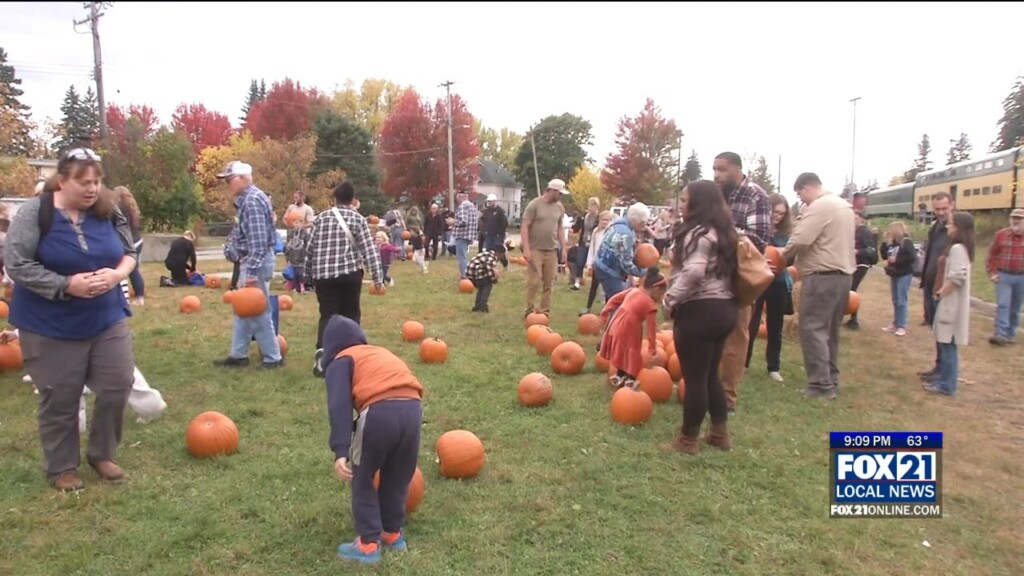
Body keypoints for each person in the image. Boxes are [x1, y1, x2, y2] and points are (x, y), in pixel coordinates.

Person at [3, 147, 138, 491]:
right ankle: (62, 467)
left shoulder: (108, 210)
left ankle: (102, 453)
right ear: (62, 180)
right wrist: (67, 285)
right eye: (83, 182)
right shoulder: (36, 212)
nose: (92, 189)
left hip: (106, 316)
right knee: (60, 395)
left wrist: (116, 274)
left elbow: (130, 252)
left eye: (97, 181)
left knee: (117, 383)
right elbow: (17, 264)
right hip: (50, 324)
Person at [322, 315, 424, 564]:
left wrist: (341, 450)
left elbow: (340, 407)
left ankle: (368, 543)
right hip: (413, 408)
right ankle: (392, 532)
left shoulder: (341, 360)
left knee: (363, 476)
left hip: (379, 411)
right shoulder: (378, 352)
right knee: (398, 475)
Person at [661, 180, 740, 454]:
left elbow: (694, 272)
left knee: (694, 378)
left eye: (684, 200)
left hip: (700, 312)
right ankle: (720, 434)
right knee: (709, 376)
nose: (680, 205)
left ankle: (687, 440)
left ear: (698, 203)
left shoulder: (699, 233)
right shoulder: (723, 231)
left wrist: (669, 299)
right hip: (725, 310)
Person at [781, 173, 856, 400]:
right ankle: (831, 378)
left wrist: (783, 257)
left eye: (800, 194)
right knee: (830, 330)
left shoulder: (819, 207)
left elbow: (801, 239)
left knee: (812, 328)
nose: (801, 200)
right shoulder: (844, 206)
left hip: (822, 275)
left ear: (806, 188)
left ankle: (820, 385)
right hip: (843, 276)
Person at [711, 151, 771, 413]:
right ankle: (708, 385)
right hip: (713, 272)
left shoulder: (755, 195)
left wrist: (721, 235)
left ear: (737, 169)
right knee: (711, 333)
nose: (717, 174)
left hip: (740, 276)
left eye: (722, 169)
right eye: (714, 169)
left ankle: (727, 397)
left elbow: (757, 239)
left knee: (736, 334)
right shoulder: (716, 194)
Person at [304, 181, 383, 377]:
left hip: (323, 275)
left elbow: (310, 249)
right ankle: (352, 355)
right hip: (349, 274)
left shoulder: (321, 218)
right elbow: (368, 250)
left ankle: (323, 356)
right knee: (351, 314)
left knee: (328, 314)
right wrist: (378, 277)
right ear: (352, 200)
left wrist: (307, 275)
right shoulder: (357, 219)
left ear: (335, 198)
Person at [212, 161, 283, 370]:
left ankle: (273, 357)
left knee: (258, 311)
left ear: (243, 178)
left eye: (229, 179)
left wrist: (250, 272)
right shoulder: (249, 199)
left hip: (255, 263)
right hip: (253, 261)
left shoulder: (251, 201)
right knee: (245, 310)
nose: (227, 184)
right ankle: (238, 354)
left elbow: (259, 243)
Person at [745, 193, 794, 382]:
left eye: (782, 214)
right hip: (758, 280)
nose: (778, 216)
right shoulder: (758, 230)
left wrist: (783, 258)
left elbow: (791, 257)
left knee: (775, 325)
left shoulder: (786, 235)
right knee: (751, 323)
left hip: (778, 282)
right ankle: (745, 362)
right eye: (775, 212)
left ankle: (773, 366)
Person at [926, 212, 975, 396]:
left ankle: (947, 385)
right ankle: (944, 379)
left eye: (951, 224)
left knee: (948, 344)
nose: (948, 226)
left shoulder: (958, 249)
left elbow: (957, 277)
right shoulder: (959, 248)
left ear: (959, 228)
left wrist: (940, 293)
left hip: (951, 304)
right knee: (945, 342)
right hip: (950, 302)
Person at [598, 267, 667, 390]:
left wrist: (604, 314)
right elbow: (651, 330)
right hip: (630, 328)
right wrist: (652, 351)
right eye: (662, 294)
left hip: (616, 323)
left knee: (622, 353)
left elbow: (613, 299)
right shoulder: (650, 305)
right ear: (656, 289)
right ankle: (629, 382)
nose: (662, 298)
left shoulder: (633, 291)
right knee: (632, 356)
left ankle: (620, 378)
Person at [917, 192, 954, 382]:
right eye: (937, 209)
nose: (940, 212)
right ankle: (939, 367)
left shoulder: (956, 230)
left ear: (952, 206)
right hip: (930, 285)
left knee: (946, 334)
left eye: (944, 208)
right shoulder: (935, 227)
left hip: (945, 288)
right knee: (936, 331)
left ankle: (945, 374)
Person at [521, 179, 568, 317]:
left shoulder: (559, 207)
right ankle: (529, 310)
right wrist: (526, 248)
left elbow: (560, 227)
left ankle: (545, 311)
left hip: (552, 250)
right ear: (552, 191)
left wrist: (564, 248)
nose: (561, 197)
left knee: (549, 282)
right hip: (536, 249)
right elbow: (525, 226)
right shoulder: (534, 205)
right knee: (534, 281)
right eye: (559, 194)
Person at [592, 203, 649, 303]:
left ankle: (607, 317)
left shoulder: (616, 223)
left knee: (611, 301)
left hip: (600, 263)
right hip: (609, 271)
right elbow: (627, 265)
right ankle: (613, 318)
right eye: (642, 223)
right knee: (619, 303)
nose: (643, 226)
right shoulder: (626, 235)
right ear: (635, 220)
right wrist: (644, 272)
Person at [985, 208, 1024, 346]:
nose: (1016, 221)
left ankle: (1010, 333)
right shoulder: (1001, 235)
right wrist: (992, 272)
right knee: (1003, 304)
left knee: (1015, 307)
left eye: (1019, 219)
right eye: (1014, 218)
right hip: (1004, 275)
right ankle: (1000, 334)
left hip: (1021, 276)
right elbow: (992, 255)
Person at [879, 221, 917, 336]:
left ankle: (902, 326)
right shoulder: (892, 243)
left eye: (891, 230)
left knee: (901, 300)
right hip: (894, 273)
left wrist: (897, 260)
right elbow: (885, 255)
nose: (889, 232)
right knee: (895, 299)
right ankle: (895, 323)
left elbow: (912, 257)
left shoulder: (906, 242)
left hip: (904, 273)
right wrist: (884, 243)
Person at [845, 211, 879, 329]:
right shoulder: (850, 231)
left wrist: (857, 252)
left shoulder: (864, 233)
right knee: (848, 289)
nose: (852, 221)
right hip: (851, 264)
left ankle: (853, 319)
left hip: (861, 264)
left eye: (855, 219)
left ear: (860, 219)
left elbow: (871, 250)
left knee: (851, 289)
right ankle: (849, 316)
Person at [115, 186, 145, 305]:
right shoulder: (132, 207)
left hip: (130, 242)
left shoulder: (121, 209)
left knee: (131, 270)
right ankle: (138, 295)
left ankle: (138, 297)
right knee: (133, 269)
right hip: (137, 240)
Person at [581, 210, 614, 315]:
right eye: (603, 220)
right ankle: (588, 307)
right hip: (597, 262)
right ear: (599, 220)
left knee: (607, 287)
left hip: (607, 264)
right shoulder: (596, 232)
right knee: (594, 286)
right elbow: (592, 248)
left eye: (608, 220)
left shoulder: (612, 232)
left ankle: (607, 308)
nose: (605, 222)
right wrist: (589, 262)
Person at [466, 244, 507, 313]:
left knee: (481, 288)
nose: (502, 257)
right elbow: (489, 269)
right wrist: (493, 279)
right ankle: (482, 306)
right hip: (476, 272)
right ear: (498, 253)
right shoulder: (492, 257)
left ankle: (477, 306)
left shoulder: (488, 254)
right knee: (487, 286)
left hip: (471, 272)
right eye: (502, 254)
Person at [570, 198, 601, 290]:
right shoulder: (584, 216)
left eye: (593, 205)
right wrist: (573, 228)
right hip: (584, 242)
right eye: (590, 205)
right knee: (580, 262)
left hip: (594, 243)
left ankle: (596, 284)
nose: (591, 207)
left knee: (595, 264)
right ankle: (577, 283)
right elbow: (577, 227)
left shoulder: (599, 218)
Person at [450, 191, 479, 278]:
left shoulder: (463, 205)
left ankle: (465, 275)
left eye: (457, 197)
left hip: (462, 234)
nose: (457, 199)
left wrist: (453, 222)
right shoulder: (472, 205)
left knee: (461, 257)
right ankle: (468, 273)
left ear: (461, 196)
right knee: (464, 255)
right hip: (469, 234)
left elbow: (463, 221)